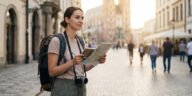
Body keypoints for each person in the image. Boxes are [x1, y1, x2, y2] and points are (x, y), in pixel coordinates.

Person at [48, 7, 106, 96]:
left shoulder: (80, 41)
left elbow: (82, 68)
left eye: (82, 18)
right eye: (77, 17)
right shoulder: (57, 41)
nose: (81, 21)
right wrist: (71, 62)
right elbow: (52, 72)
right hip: (63, 88)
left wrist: (97, 61)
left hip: (80, 88)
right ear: (67, 19)